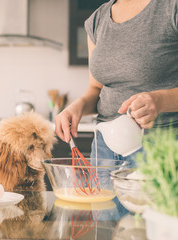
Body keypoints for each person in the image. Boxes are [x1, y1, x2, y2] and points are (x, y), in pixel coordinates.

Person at [55, 0, 178, 162]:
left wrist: (160, 101)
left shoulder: (171, 8)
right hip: (105, 147)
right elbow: (95, 87)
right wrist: (77, 107)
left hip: (159, 146)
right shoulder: (96, 20)